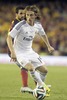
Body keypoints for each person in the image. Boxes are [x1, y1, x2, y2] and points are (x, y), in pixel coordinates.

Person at [7, 6, 54, 95]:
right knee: (30, 67)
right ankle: (41, 86)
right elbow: (9, 37)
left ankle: (39, 87)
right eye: (27, 15)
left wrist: (48, 46)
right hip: (19, 53)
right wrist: (12, 52)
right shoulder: (20, 25)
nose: (29, 17)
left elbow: (43, 35)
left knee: (45, 71)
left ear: (35, 15)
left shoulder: (38, 26)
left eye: (31, 15)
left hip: (30, 52)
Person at [7, 6, 32, 92]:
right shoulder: (16, 24)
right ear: (16, 14)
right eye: (20, 13)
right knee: (28, 66)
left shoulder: (20, 23)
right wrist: (12, 52)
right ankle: (34, 87)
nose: (23, 15)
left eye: (24, 13)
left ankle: (34, 86)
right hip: (15, 50)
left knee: (28, 66)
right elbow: (9, 38)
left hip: (20, 50)